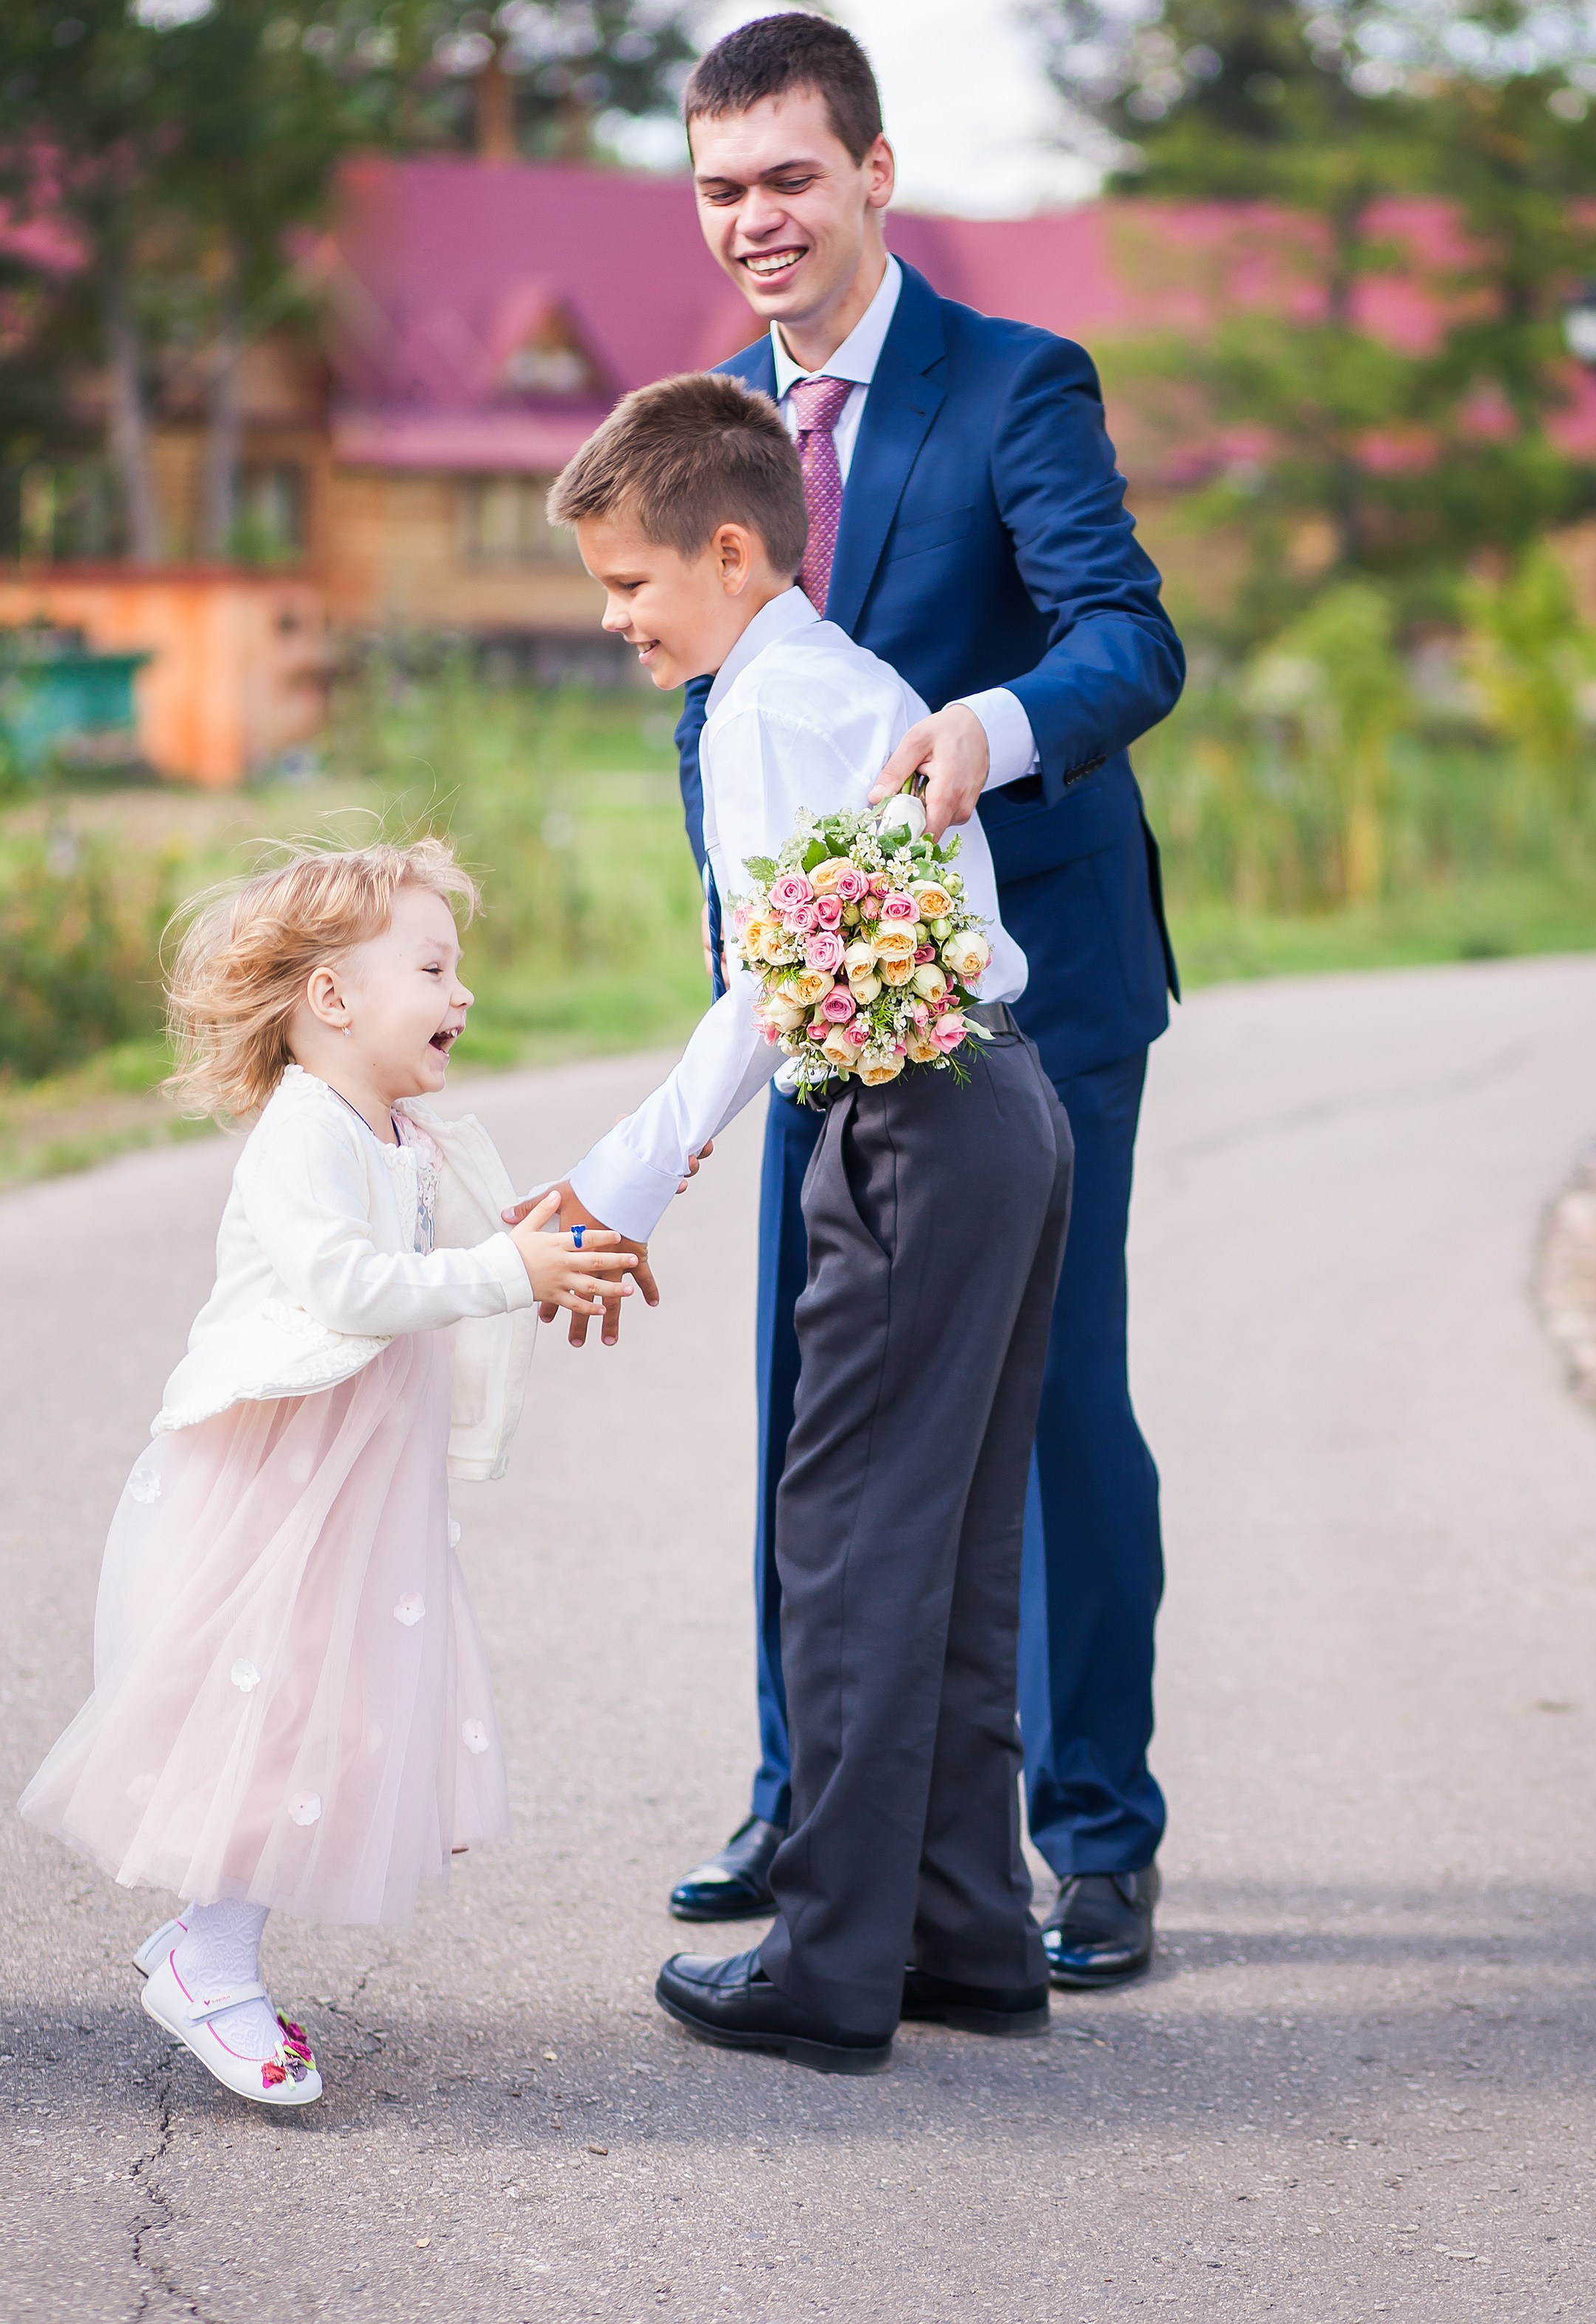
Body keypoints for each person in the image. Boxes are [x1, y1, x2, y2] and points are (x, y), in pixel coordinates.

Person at [668, 12, 1185, 1987]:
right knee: (813, 1408)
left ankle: (1092, 1836)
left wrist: (986, 730)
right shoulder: (709, 411)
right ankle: (812, 1806)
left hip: (1030, 986)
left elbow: (1122, 640)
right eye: (720, 189)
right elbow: (710, 707)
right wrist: (739, 988)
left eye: (788, 177)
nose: (756, 220)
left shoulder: (1013, 385)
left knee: (1041, 1407)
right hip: (822, 995)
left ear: (873, 174)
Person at [540, 370, 1072, 2070]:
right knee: (952, 1537)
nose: (615, 618)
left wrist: (622, 1171)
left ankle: (834, 1963)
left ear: (729, 552)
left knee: (842, 1540)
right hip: (1003, 1104)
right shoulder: (842, 678)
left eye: (629, 583)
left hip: (911, 1120)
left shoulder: (769, 708)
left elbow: (770, 986)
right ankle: (965, 1929)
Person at [18, 840, 639, 2110]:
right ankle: (209, 1955)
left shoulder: (401, 1126)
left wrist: (572, 1236)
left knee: (327, 1709)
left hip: (358, 1481)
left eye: (457, 966)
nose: (461, 992)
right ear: (332, 1000)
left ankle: (210, 1944)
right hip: (279, 1483)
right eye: (431, 965)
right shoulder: (303, 1132)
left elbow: (481, 1234)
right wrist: (507, 1273)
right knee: (273, 1708)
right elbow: (354, 1284)